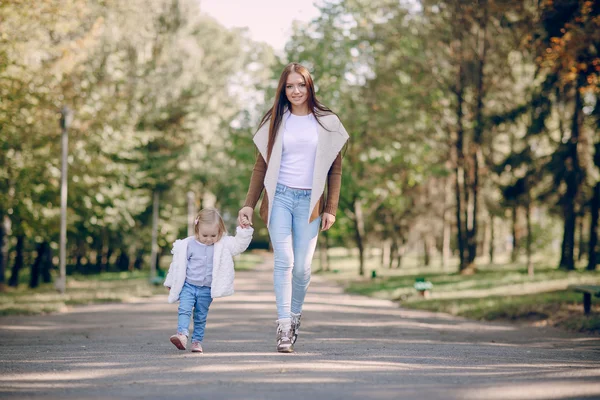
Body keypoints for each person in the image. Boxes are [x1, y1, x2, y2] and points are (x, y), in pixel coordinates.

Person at [237, 62, 349, 353]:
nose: (296, 90)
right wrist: (249, 204)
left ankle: (295, 315)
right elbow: (260, 167)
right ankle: (284, 325)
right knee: (284, 261)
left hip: (310, 202)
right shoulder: (275, 121)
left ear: (309, 86)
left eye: (301, 84)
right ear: (283, 89)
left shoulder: (327, 122)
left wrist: (331, 208)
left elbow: (335, 170)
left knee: (302, 268)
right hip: (280, 198)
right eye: (290, 86)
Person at [164, 208, 253, 353]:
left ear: (220, 232)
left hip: (206, 289)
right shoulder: (187, 245)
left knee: (200, 316)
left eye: (214, 235)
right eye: (204, 235)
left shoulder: (223, 244)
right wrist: (170, 281)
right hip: (189, 286)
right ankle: (182, 335)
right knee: (184, 309)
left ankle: (197, 341)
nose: (209, 239)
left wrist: (245, 229)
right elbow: (177, 265)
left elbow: (239, 245)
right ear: (197, 230)